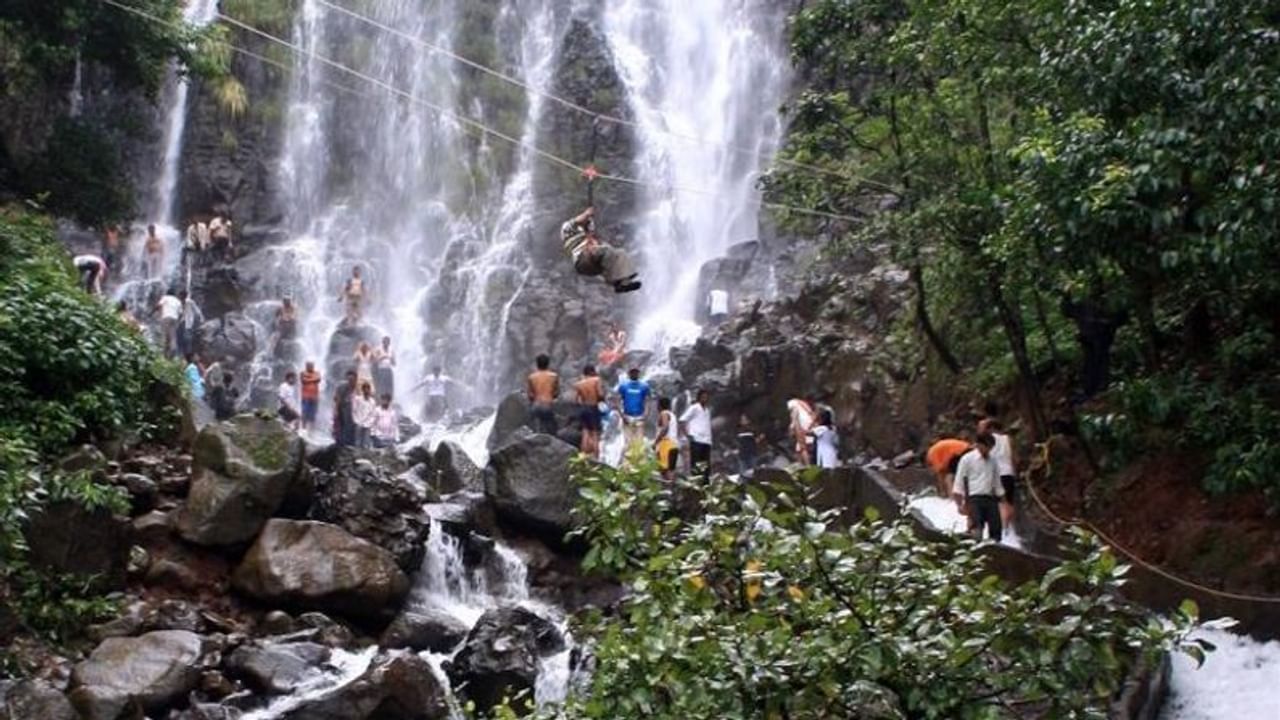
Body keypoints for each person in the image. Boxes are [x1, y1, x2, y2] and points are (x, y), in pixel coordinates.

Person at [560, 207, 641, 293]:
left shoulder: (587, 234)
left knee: (620, 252)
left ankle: (624, 283)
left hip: (594, 265)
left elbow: (595, 243)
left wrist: (593, 238)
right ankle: (613, 280)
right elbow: (578, 220)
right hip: (582, 260)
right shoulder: (568, 228)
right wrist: (587, 214)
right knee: (606, 250)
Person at [953, 433, 1005, 541]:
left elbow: (996, 481)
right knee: (976, 527)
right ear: (979, 445)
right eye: (987, 447)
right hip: (974, 498)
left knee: (996, 527)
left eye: (991, 448)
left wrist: (1002, 498)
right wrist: (960, 504)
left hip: (990, 498)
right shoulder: (967, 459)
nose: (988, 450)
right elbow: (959, 482)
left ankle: (995, 549)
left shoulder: (993, 461)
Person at [979, 418, 1018, 531]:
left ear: (990, 428)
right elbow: (1012, 457)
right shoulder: (1007, 439)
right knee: (1009, 503)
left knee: (998, 503)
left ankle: (1000, 530)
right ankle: (1008, 529)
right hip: (1007, 473)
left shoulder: (986, 440)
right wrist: (1014, 472)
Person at [615, 368, 652, 454]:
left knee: (639, 442)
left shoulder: (644, 386)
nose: (634, 374)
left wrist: (646, 414)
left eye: (636, 372)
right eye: (632, 372)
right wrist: (622, 415)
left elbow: (647, 401)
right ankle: (628, 465)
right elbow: (617, 401)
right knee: (628, 442)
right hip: (627, 416)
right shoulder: (623, 386)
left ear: (639, 374)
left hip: (639, 416)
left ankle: (637, 463)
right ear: (629, 374)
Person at [680, 389, 713, 481]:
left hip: (707, 441)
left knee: (705, 464)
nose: (705, 399)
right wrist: (687, 435)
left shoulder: (707, 410)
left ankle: (704, 484)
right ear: (699, 398)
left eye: (706, 397)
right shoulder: (694, 407)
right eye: (703, 397)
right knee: (696, 463)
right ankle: (696, 483)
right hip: (696, 439)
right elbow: (682, 420)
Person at [574, 364, 605, 459]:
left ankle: (583, 456)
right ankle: (596, 458)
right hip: (593, 407)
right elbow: (600, 394)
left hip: (583, 408)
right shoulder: (596, 380)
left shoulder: (579, 384)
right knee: (595, 434)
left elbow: (577, 400)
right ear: (592, 372)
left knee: (585, 433)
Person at [526, 354, 560, 435]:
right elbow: (556, 393)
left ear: (537, 364)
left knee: (535, 428)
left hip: (536, 405)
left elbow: (530, 395)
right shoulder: (554, 376)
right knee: (551, 428)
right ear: (548, 364)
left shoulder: (531, 377)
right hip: (548, 404)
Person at [654, 398, 680, 481]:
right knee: (671, 470)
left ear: (660, 406)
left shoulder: (664, 413)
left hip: (666, 445)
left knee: (664, 471)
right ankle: (672, 491)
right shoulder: (673, 415)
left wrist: (656, 442)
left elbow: (665, 428)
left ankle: (667, 491)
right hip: (674, 444)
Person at [787, 396, 818, 466]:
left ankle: (807, 466)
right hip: (809, 425)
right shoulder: (803, 404)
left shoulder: (792, 403)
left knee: (802, 448)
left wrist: (792, 426)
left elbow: (794, 415)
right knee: (802, 448)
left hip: (802, 426)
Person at [333, 370, 358, 447]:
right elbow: (337, 399)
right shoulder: (342, 386)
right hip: (344, 408)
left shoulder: (359, 387)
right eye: (349, 379)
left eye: (352, 379)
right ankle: (341, 443)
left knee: (352, 426)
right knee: (343, 426)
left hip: (355, 410)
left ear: (356, 379)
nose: (350, 381)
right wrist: (336, 410)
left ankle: (351, 443)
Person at [176, 290, 203, 359]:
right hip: (180, 323)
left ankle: (188, 354)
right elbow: (178, 313)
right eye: (180, 296)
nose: (181, 297)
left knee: (187, 338)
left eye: (182, 296)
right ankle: (180, 354)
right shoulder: (178, 303)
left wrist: (201, 318)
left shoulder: (190, 302)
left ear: (185, 296)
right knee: (179, 338)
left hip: (188, 322)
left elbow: (197, 310)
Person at [155, 289, 183, 358]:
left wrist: (154, 310)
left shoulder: (165, 298)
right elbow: (181, 313)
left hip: (166, 317)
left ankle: (163, 355)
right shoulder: (178, 301)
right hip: (175, 319)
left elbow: (158, 305)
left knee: (164, 335)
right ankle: (173, 351)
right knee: (173, 336)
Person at [736, 415, 763, 479]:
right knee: (744, 473)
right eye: (742, 419)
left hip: (752, 453)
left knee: (753, 472)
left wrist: (760, 438)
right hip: (742, 455)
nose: (744, 421)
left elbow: (757, 439)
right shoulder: (738, 429)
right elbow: (736, 441)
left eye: (745, 419)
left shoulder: (753, 428)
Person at [352, 381, 377, 449]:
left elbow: (373, 414)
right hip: (359, 423)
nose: (366, 390)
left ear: (369, 390)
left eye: (367, 389)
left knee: (366, 441)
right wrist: (356, 421)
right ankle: (356, 454)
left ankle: (365, 454)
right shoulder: (358, 399)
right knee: (358, 441)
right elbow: (354, 410)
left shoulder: (372, 401)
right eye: (365, 389)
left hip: (368, 424)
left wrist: (370, 423)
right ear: (362, 390)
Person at [299, 361, 322, 432]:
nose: (310, 367)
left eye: (311, 366)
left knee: (313, 414)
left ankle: (312, 430)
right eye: (308, 366)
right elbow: (303, 380)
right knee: (304, 412)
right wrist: (313, 380)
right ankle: (303, 429)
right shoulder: (302, 373)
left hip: (315, 397)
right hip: (305, 396)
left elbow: (318, 379)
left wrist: (308, 379)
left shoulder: (317, 373)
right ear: (306, 366)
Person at [373, 336, 396, 400]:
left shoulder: (391, 350)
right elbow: (375, 361)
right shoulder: (378, 349)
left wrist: (392, 359)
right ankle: (381, 399)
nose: (386, 343)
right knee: (382, 386)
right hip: (381, 369)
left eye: (388, 342)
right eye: (385, 342)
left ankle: (390, 399)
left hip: (389, 370)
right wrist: (382, 357)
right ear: (382, 342)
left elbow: (394, 363)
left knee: (390, 386)